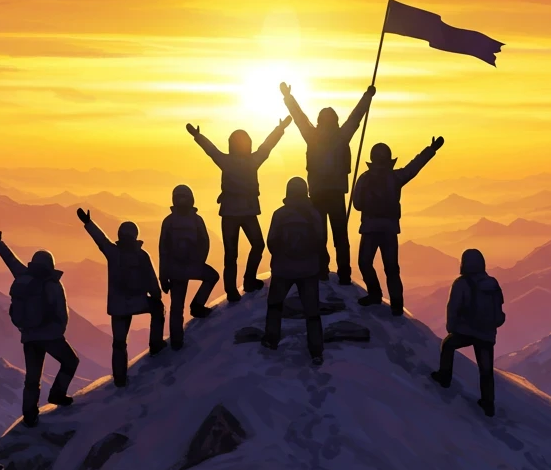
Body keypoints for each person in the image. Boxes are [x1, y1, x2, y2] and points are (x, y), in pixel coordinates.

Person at [186, 116, 291, 303]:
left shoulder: (227, 161)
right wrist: (280, 129)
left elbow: (211, 150)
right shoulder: (252, 160)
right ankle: (247, 281)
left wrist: (198, 136)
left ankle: (233, 289)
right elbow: (267, 146)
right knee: (255, 245)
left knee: (231, 253)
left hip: (230, 213)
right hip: (247, 212)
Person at [279, 81, 375, 284]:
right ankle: (344, 273)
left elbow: (299, 117)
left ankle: (322, 269)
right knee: (340, 235)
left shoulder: (312, 136)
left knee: (319, 234)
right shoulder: (341, 136)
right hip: (336, 193)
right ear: (335, 121)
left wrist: (288, 97)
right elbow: (356, 117)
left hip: (317, 193)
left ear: (319, 121)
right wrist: (367, 97)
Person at [0, 229, 80, 427]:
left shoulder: (24, 276)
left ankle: (30, 416)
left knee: (32, 378)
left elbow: (10, 261)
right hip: (50, 336)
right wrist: (58, 332)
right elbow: (60, 311)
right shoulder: (52, 284)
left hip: (29, 336)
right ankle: (57, 394)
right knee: (71, 361)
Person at [351, 136, 444, 314]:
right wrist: (431, 150)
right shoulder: (394, 177)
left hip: (371, 229)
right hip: (388, 229)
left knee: (365, 263)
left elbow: (357, 204)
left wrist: (431, 150)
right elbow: (414, 167)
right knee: (391, 268)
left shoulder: (365, 178)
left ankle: (375, 295)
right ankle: (396, 304)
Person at [77, 210, 166, 386]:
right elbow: (152, 280)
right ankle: (156, 345)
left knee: (119, 342)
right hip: (138, 301)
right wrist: (156, 295)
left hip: (118, 306)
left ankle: (119, 378)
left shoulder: (113, 252)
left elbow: (101, 240)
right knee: (157, 309)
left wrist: (88, 223)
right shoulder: (141, 255)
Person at [431, 248, 504, 417]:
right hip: (487, 333)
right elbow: (499, 308)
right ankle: (488, 404)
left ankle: (444, 377)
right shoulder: (492, 283)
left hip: (467, 330)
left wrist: (452, 327)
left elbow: (453, 307)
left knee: (448, 345)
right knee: (486, 370)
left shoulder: (461, 283)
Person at [262, 176, 325, 364]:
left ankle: (271, 340)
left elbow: (271, 241)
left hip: (283, 269)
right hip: (309, 270)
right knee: (312, 311)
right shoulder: (314, 214)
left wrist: (283, 257)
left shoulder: (280, 214)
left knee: (275, 305)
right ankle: (316, 350)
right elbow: (321, 241)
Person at [158, 184, 220, 349]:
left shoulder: (170, 221)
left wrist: (163, 275)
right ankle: (197, 306)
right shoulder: (194, 220)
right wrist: (198, 261)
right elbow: (204, 242)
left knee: (177, 306)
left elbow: (163, 250)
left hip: (176, 269)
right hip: (185, 266)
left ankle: (176, 340)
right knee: (211, 277)